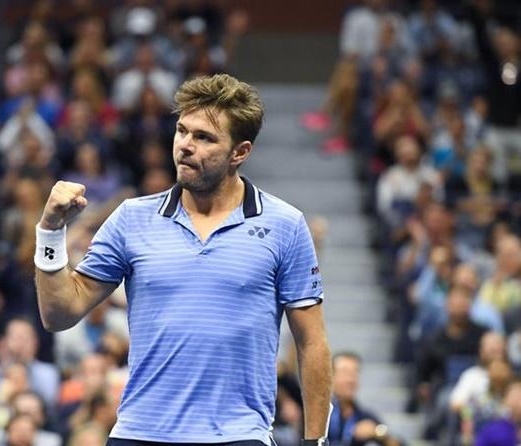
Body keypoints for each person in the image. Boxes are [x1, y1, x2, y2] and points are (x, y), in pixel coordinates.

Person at [34, 74, 332, 445]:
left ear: (239, 152)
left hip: (238, 437)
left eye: (204, 137)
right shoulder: (130, 218)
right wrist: (50, 232)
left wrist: (315, 440)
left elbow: (312, 343)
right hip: (139, 434)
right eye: (182, 131)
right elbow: (58, 313)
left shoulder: (285, 225)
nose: (185, 146)